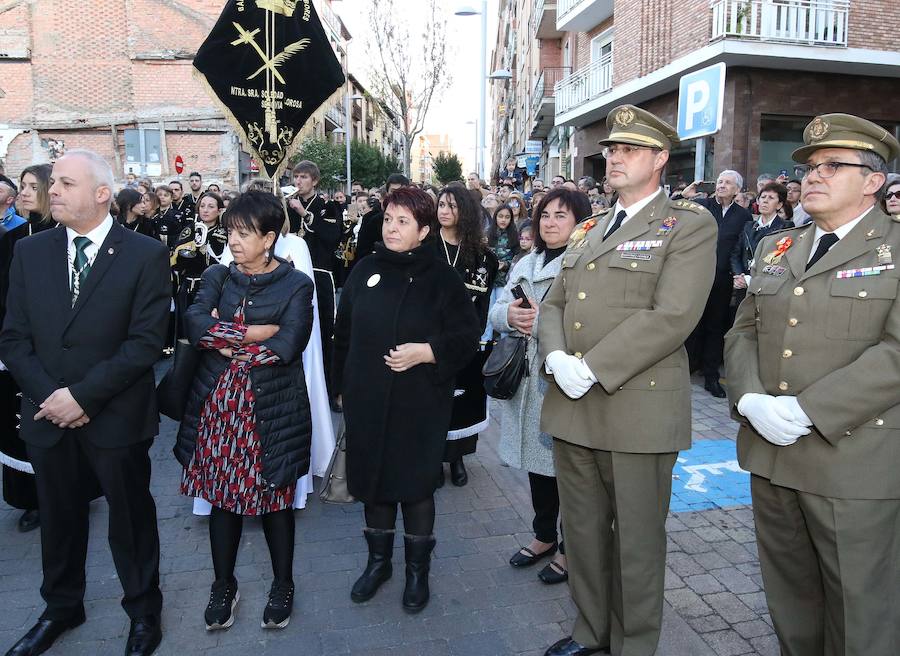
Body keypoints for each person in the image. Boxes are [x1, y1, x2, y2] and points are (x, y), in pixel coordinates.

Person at [538, 106, 717, 656]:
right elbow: (555, 302)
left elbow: (672, 315)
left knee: (636, 542)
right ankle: (591, 632)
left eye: (630, 149)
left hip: (636, 409)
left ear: (661, 159)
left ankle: (634, 644)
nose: (614, 156)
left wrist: (590, 367)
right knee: (586, 537)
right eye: (612, 149)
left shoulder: (688, 224)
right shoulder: (589, 227)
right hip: (573, 407)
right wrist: (557, 356)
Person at [724, 114, 900, 655]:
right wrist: (750, 397)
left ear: (873, 181)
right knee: (791, 600)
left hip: (852, 460)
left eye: (832, 165)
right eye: (809, 166)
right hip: (772, 456)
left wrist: (808, 409)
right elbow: (743, 331)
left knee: (858, 612)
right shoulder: (777, 248)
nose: (813, 176)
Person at [0, 149, 170, 656]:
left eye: (65, 184)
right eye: (52, 183)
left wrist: (82, 396)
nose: (52, 190)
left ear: (101, 194)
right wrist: (53, 398)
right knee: (58, 518)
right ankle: (61, 607)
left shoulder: (143, 254)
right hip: (48, 415)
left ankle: (143, 611)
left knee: (130, 518)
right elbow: (13, 338)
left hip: (114, 415)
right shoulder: (30, 252)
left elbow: (145, 343)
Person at [333, 186, 480, 613]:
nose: (392, 228)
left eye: (403, 222)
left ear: (424, 230)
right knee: (374, 486)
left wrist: (427, 351)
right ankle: (378, 563)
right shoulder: (364, 270)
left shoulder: (442, 278)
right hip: (367, 398)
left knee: (415, 489)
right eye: (388, 219)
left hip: (419, 403)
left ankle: (418, 572)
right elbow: (343, 334)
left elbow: (466, 336)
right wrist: (340, 387)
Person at [174, 191, 315, 631]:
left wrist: (227, 338)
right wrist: (254, 332)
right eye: (231, 231)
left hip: (271, 410)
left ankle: (283, 584)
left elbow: (289, 344)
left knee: (276, 501)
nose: (233, 241)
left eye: (244, 233)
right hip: (217, 407)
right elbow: (194, 322)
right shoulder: (218, 275)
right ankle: (223, 584)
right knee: (220, 499)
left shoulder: (297, 284)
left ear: (269, 238)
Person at [491, 188, 589, 587]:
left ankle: (570, 548)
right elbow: (497, 311)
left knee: (567, 470)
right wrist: (510, 315)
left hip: (560, 381)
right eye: (544, 215)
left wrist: (546, 326)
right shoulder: (524, 262)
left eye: (560, 216)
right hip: (525, 381)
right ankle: (544, 535)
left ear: (580, 221)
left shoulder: (584, 264)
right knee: (536, 467)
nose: (549, 222)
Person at [433, 184, 499, 486]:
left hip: (465, 338)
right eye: (441, 205)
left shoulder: (483, 256)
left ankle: (457, 458)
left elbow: (483, 302)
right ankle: (431, 458)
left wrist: (475, 335)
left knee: (462, 398)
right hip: (428, 338)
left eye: (452, 206)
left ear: (465, 211)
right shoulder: (425, 247)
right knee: (431, 398)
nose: (445, 211)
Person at [681, 170, 753, 397]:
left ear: (737, 190)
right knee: (690, 323)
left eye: (728, 183)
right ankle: (687, 368)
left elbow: (742, 248)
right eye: (720, 181)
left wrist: (738, 274)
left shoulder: (743, 216)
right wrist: (686, 196)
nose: (722, 185)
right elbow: (675, 214)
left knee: (715, 326)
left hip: (722, 279)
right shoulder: (702, 205)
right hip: (694, 275)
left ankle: (711, 375)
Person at [0, 174, 39, 533]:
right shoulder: (16, 237)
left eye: (31, 187)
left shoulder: (28, 238)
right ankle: (26, 496)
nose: (24, 193)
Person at [286, 161, 342, 411]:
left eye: (304, 177)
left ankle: (331, 391)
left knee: (325, 332)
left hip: (319, 274)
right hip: (290, 275)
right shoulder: (286, 205)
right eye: (296, 176)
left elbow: (332, 238)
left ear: (315, 181)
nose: (298, 181)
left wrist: (303, 213)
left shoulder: (327, 206)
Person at [171, 192, 228, 336]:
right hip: (190, 286)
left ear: (219, 210)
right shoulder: (190, 230)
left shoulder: (225, 232)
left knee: (208, 329)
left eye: (210, 206)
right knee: (185, 330)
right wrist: (191, 251)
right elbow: (175, 260)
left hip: (215, 289)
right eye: (202, 206)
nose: (205, 210)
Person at [730, 182, 793, 306]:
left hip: (767, 287)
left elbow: (780, 259)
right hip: (743, 285)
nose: (765, 201)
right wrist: (738, 275)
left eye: (771, 198)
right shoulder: (748, 226)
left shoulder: (786, 227)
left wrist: (750, 279)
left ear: (779, 204)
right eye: (763, 197)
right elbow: (736, 254)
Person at [356, 174, 409, 261]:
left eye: (401, 191)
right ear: (387, 193)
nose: (397, 195)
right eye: (393, 191)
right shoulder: (371, 219)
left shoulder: (415, 217)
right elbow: (362, 252)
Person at [16, 164, 56, 234]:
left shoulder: (70, 231)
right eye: (23, 187)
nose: (24, 193)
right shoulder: (12, 236)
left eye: (34, 188)